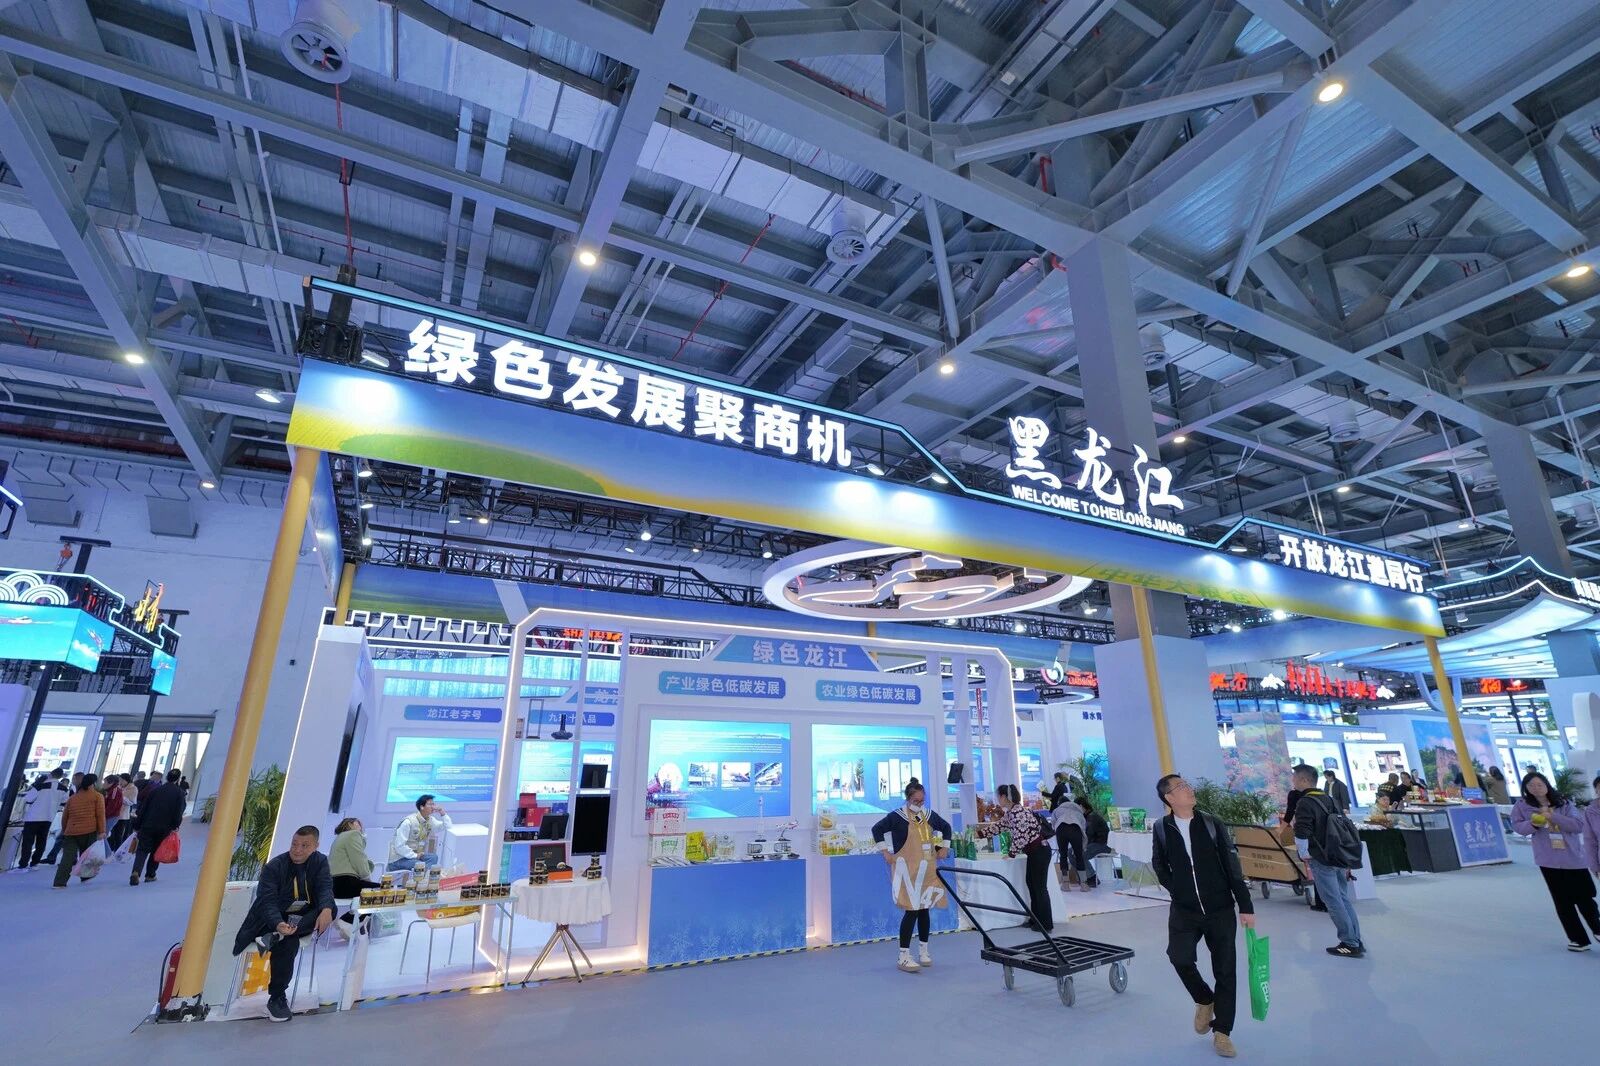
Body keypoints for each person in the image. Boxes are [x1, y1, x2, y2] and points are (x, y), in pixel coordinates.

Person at [1150, 773, 1256, 1060]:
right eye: (1181, 787)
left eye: (1187, 784)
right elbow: (1159, 864)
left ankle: (1222, 1032)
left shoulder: (1211, 823)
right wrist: (1178, 890)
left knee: (1225, 969)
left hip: (1220, 908)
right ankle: (1204, 999)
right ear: (1169, 798)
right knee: (1179, 957)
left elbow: (1232, 865)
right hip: (1184, 910)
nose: (1189, 789)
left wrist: (1245, 905)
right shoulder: (1161, 828)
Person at [230, 826, 336, 1022]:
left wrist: (326, 909)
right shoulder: (274, 866)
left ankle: (280, 936)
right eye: (294, 844)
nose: (297, 850)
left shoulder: (320, 861)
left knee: (329, 909)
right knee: (288, 942)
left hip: (299, 919)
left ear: (316, 846)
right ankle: (277, 998)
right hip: (270, 920)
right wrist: (278, 924)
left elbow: (325, 887)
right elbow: (266, 901)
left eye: (304, 846)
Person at [1510, 771, 1600, 950]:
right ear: (1526, 788)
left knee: (1585, 896)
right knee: (1562, 900)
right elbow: (1518, 826)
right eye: (1531, 786)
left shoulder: (1563, 802)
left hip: (1572, 857)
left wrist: (1553, 817)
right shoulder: (1522, 806)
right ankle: (1578, 939)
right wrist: (1533, 824)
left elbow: (1578, 826)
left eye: (1539, 784)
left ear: (1546, 784)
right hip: (1548, 860)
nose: (1536, 788)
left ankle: (1597, 929)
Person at [871, 779, 953, 972]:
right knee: (912, 911)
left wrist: (945, 847)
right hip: (907, 872)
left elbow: (946, 828)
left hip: (927, 871)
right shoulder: (897, 816)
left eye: (922, 801)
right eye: (916, 801)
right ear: (908, 799)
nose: (919, 804)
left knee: (924, 910)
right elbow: (877, 829)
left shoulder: (928, 815)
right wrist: (885, 851)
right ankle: (903, 956)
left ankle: (924, 951)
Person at [1290, 764, 1364, 957]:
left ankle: (1349, 943)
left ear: (1304, 780)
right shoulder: (1329, 799)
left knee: (1332, 900)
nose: (1293, 781)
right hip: (1337, 855)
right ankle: (1356, 939)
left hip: (1321, 858)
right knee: (1342, 898)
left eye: (1295, 777)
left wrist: (1303, 853)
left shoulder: (1305, 802)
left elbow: (1302, 831)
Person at [995, 783, 1053, 931]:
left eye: (999, 796)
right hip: (1035, 852)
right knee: (1032, 885)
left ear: (1004, 797)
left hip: (1039, 851)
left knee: (1039, 888)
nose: (998, 799)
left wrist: (1011, 854)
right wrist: (980, 833)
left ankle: (1045, 924)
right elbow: (999, 826)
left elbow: (1021, 836)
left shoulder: (1017, 812)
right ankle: (1036, 919)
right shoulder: (1012, 812)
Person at [131, 769, 186, 886]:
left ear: (166, 777)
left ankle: (136, 871)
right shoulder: (179, 793)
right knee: (156, 850)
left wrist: (137, 824)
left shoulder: (156, 790)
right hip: (165, 828)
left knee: (142, 849)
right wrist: (175, 825)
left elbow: (143, 808)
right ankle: (150, 875)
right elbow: (179, 811)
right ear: (178, 779)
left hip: (148, 824)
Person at [52, 772, 106, 888]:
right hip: (89, 830)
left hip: (71, 831)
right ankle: (85, 877)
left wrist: (65, 830)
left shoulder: (73, 798)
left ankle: (59, 882)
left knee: (67, 857)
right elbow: (100, 815)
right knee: (87, 856)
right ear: (93, 783)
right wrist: (102, 831)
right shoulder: (97, 796)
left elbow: (65, 816)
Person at [329, 817, 379, 935]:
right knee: (383, 892)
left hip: (335, 886)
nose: (361, 826)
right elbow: (359, 860)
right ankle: (347, 921)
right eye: (358, 823)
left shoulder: (339, 838)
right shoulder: (352, 834)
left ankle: (349, 924)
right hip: (346, 882)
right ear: (350, 824)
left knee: (373, 892)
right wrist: (367, 878)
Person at [389, 794, 450, 872]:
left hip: (414, 855)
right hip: (399, 859)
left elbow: (447, 826)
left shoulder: (430, 820)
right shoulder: (408, 822)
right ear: (422, 807)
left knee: (433, 857)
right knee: (420, 865)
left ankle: (424, 876)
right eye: (430, 804)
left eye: (433, 804)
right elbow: (399, 846)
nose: (433, 807)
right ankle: (423, 876)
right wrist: (415, 855)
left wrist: (442, 813)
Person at [18, 774, 61, 870]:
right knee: (41, 841)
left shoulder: (39, 786)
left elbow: (28, 799)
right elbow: (63, 801)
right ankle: (35, 863)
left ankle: (23, 864)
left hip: (33, 817)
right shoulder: (62, 789)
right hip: (48, 818)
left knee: (28, 841)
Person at [1050, 796, 1092, 891]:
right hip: (1075, 830)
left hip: (1061, 830)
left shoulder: (1057, 810)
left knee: (1063, 855)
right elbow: (1083, 826)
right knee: (1079, 856)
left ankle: (1065, 884)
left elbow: (1053, 823)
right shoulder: (1078, 811)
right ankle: (1084, 884)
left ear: (1060, 803)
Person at [102, 773, 126, 853]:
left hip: (112, 816)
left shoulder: (114, 791)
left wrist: (103, 816)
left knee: (103, 835)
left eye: (104, 782)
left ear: (111, 783)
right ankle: (106, 854)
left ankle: (108, 854)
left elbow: (112, 807)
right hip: (111, 815)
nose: (103, 784)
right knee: (103, 835)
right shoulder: (111, 790)